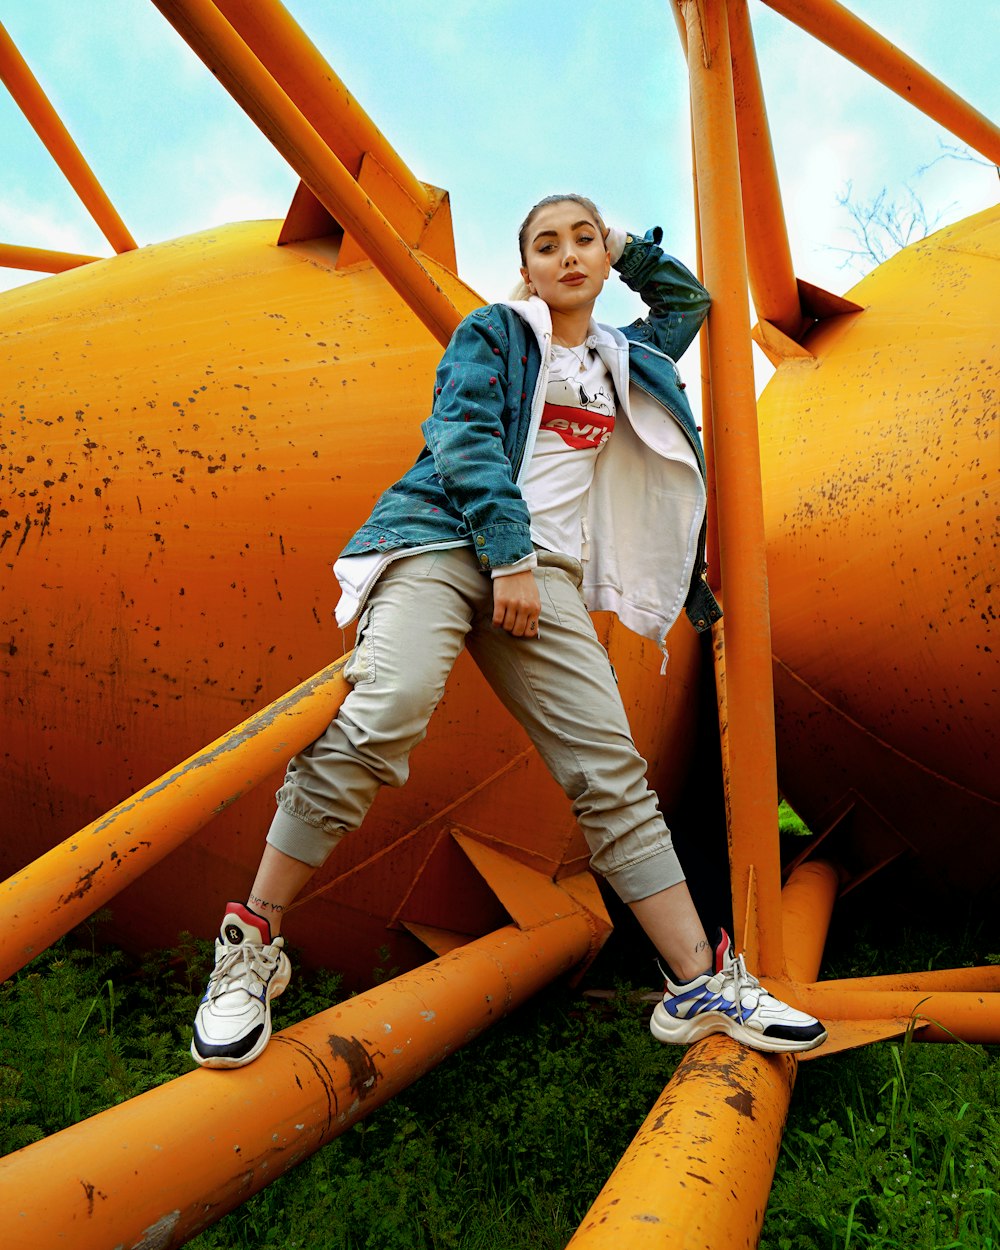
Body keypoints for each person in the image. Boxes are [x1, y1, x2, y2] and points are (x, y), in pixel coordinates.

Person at [191, 195, 827, 1069]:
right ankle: (250, 944)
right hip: (446, 541)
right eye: (545, 244)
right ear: (523, 269)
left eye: (583, 240)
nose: (567, 256)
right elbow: (462, 438)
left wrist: (628, 247)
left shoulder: (627, 358)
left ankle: (698, 984)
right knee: (386, 713)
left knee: (611, 773)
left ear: (601, 258)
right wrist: (508, 553)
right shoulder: (494, 334)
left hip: (546, 578)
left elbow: (688, 303)